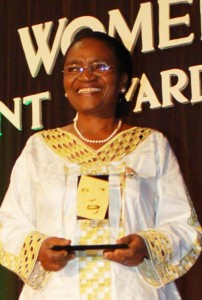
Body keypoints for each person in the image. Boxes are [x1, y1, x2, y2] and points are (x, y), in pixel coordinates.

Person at [0, 30, 201, 300]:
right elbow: (8, 224)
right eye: (74, 68)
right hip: (59, 292)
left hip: (132, 292)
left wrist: (146, 245)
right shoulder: (40, 149)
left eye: (100, 66)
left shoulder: (151, 145)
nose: (86, 75)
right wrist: (38, 248)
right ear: (64, 82)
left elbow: (183, 225)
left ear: (122, 81)